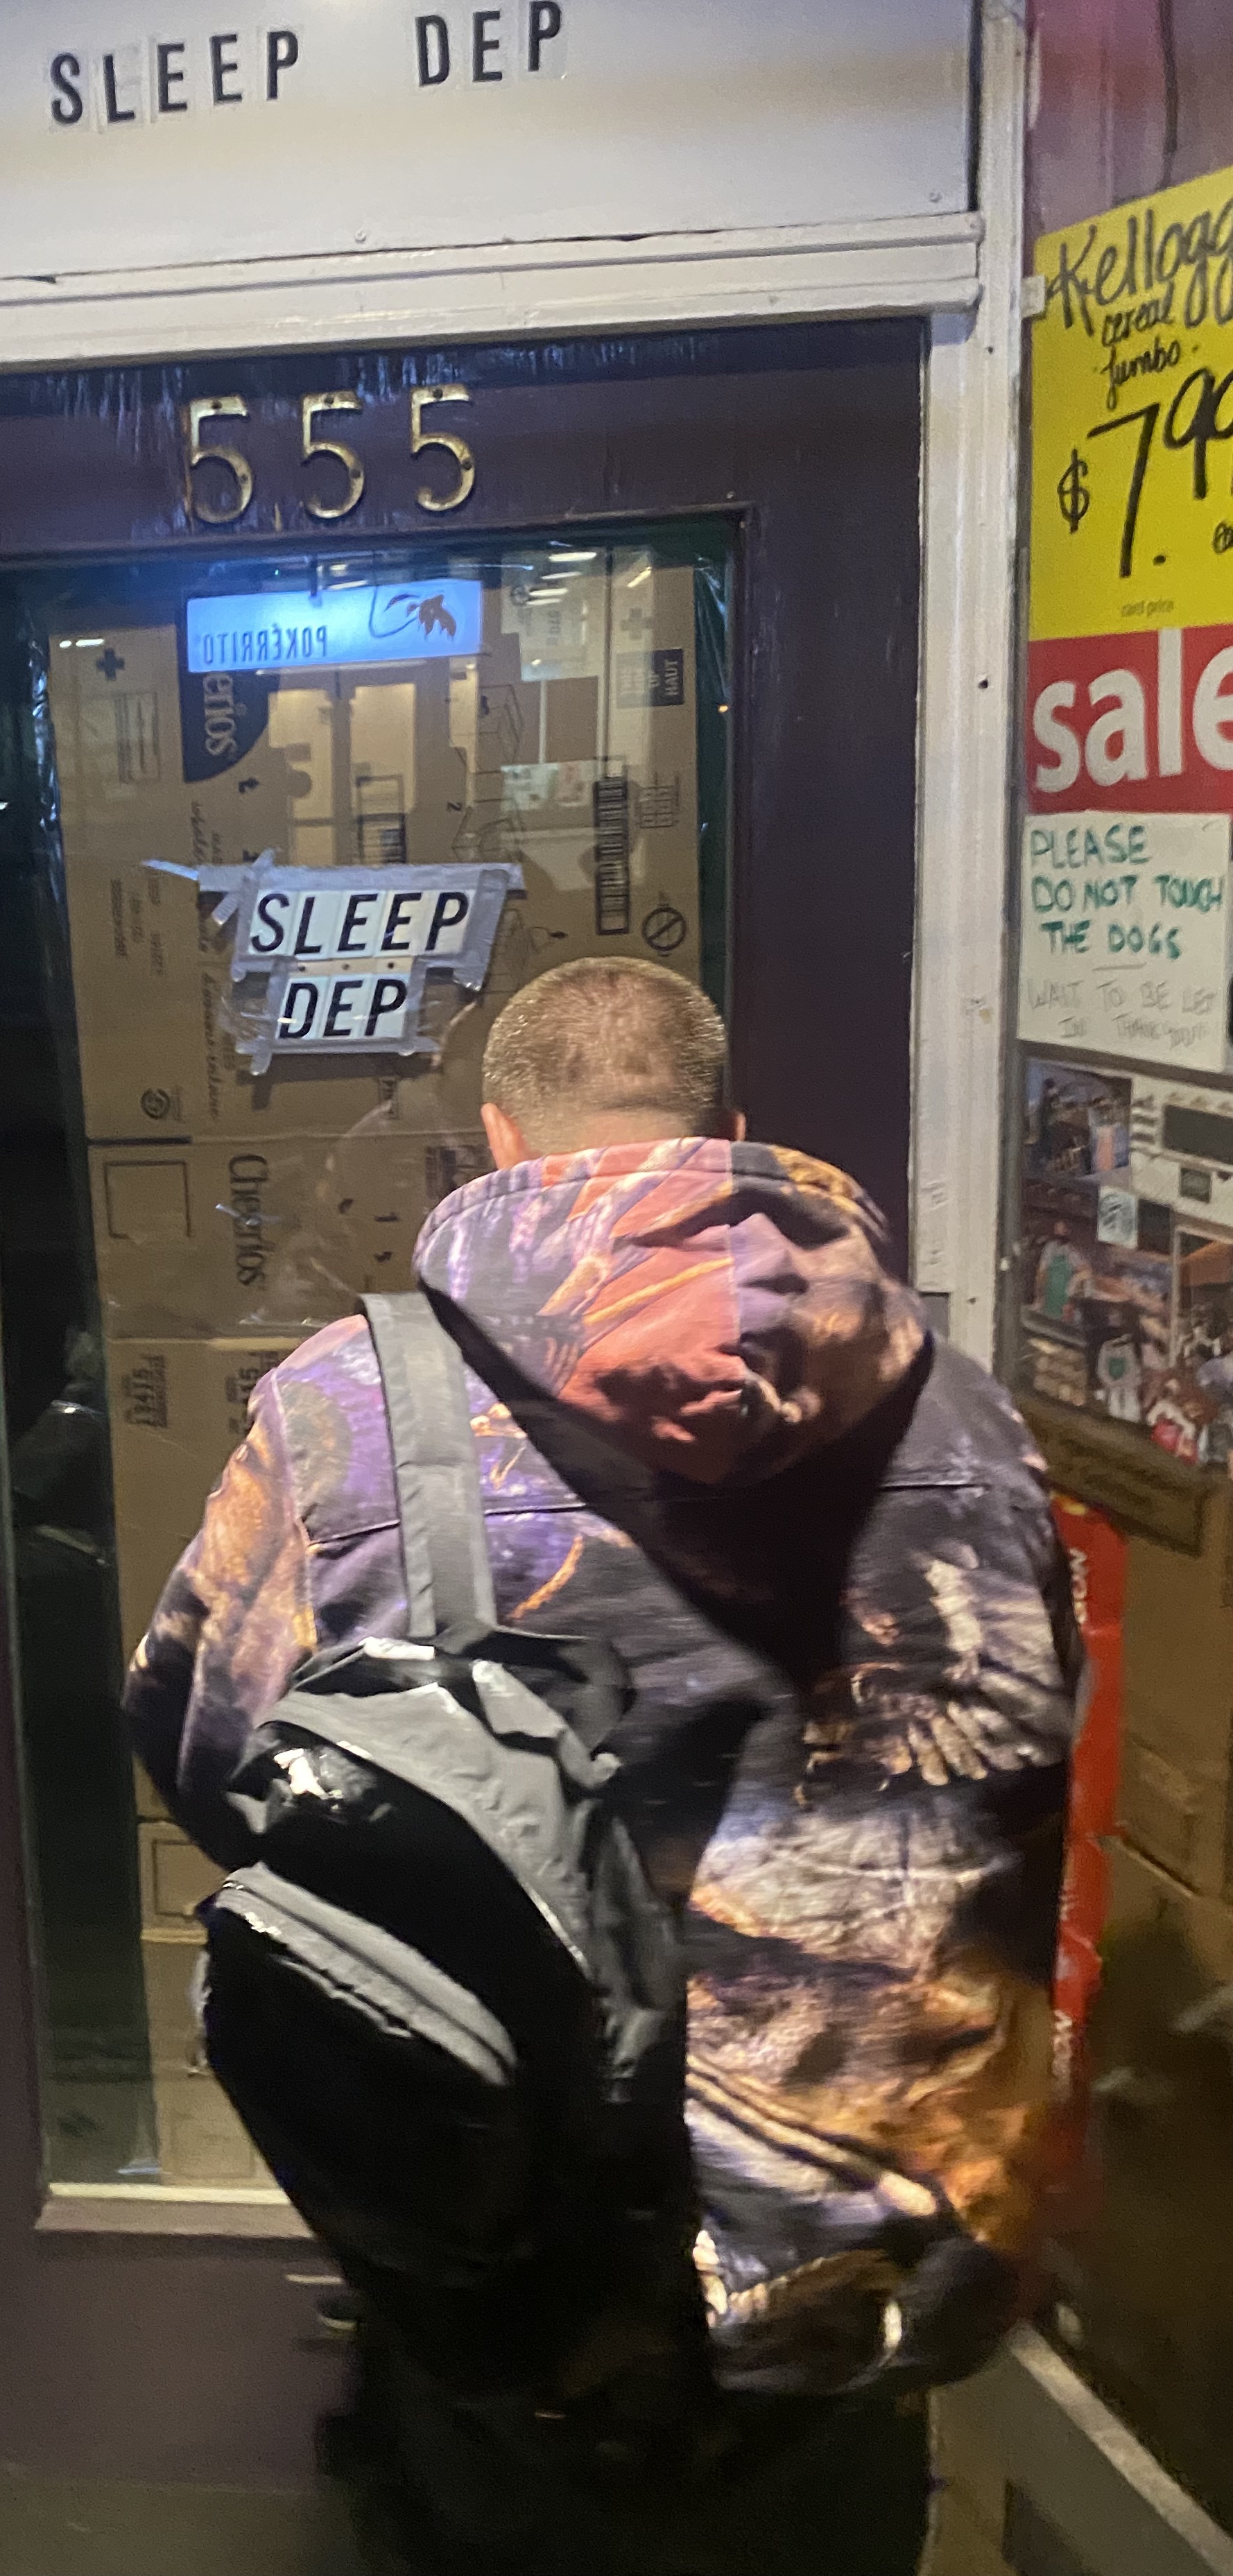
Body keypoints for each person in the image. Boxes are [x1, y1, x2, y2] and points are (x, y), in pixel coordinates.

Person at [123, 958, 1077, 2576]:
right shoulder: (968, 1424)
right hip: (859, 2234)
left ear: (499, 1140)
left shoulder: (349, 1415)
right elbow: (1029, 1761)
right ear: (731, 1136)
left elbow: (209, 1753)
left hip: (518, 2228)